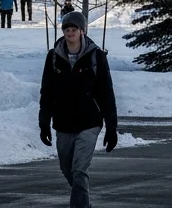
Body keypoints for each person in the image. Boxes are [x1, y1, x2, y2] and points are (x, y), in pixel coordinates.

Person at [40, 11, 119, 208]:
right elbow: (47, 92)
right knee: (67, 169)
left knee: (79, 170)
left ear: (82, 30)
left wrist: (111, 127)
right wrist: (44, 123)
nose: (70, 32)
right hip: (64, 122)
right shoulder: (54, 57)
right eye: (67, 29)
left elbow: (106, 92)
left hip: (89, 122)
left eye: (74, 29)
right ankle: (84, 201)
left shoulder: (96, 56)